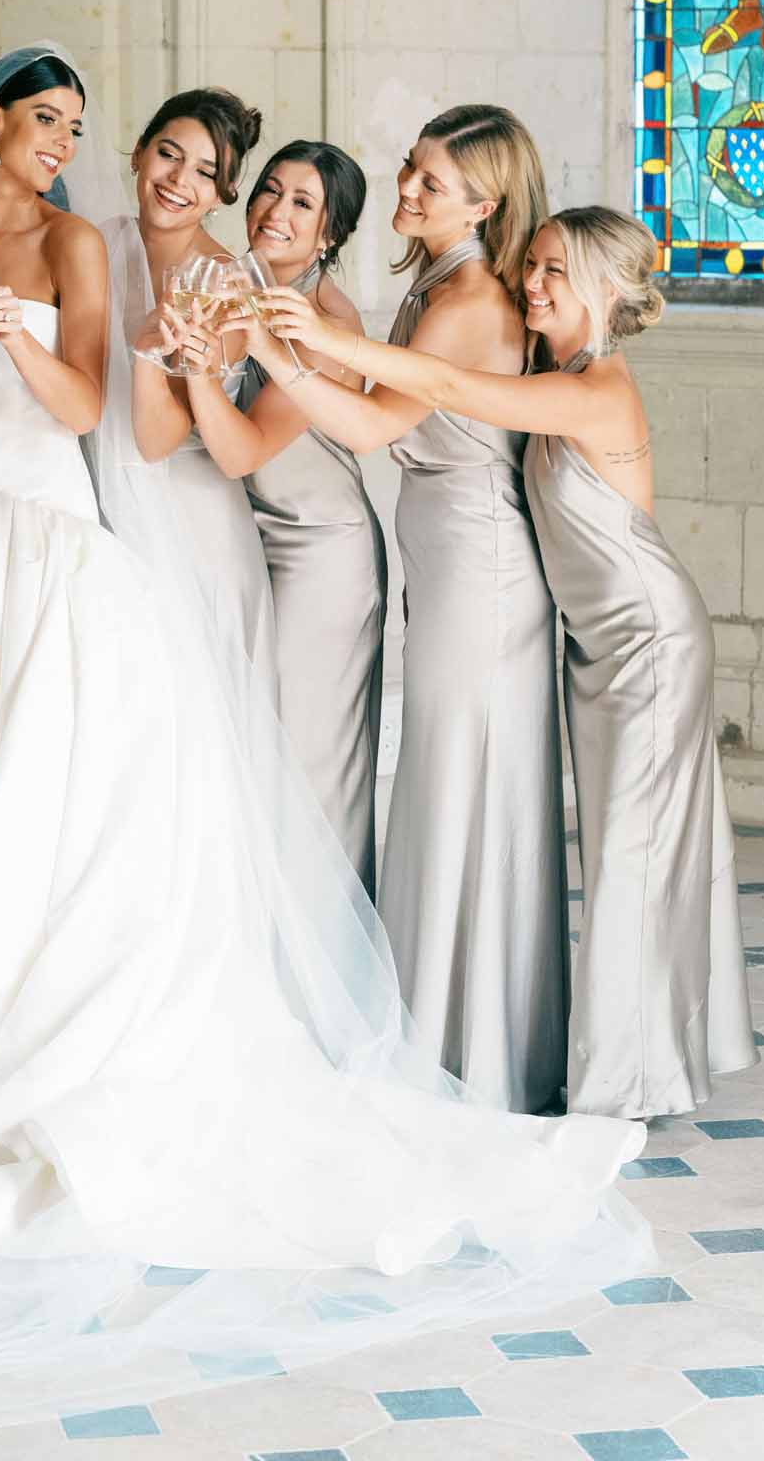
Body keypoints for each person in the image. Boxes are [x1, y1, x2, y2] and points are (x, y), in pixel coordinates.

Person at [0, 50, 649, 1438]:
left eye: (78, 131)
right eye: (52, 124)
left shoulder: (86, 247)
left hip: (81, 529)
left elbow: (99, 415)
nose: (69, 148)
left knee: (60, 805)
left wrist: (27, 329)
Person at [268, 206, 756, 1120]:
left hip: (646, 641)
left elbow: (450, 388)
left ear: (606, 289)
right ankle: (638, 1061)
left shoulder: (597, 389)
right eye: (530, 264)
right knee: (624, 851)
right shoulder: (559, 370)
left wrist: (317, 334)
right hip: (598, 650)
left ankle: (626, 1087)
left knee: (632, 856)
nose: (530, 283)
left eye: (553, 271)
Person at [210, 105, 564, 1114]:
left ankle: (476, 1055)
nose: (404, 191)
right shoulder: (437, 282)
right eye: (408, 170)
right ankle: (448, 1030)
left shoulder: (468, 302)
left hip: (482, 567)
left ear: (482, 201)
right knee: (445, 793)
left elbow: (366, 428)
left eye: (428, 183)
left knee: (466, 791)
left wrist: (283, 350)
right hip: (442, 559)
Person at [158, 139, 386, 894]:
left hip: (324, 555)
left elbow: (240, 452)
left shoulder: (322, 320)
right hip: (255, 543)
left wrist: (193, 370)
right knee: (251, 753)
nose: (274, 211)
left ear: (330, 234)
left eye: (302, 203)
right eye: (269, 189)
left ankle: (329, 967)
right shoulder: (235, 281)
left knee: (310, 767)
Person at [122, 88, 274, 671]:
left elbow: (160, 439)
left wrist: (147, 357)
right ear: (138, 152)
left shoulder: (226, 286)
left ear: (220, 194)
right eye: (168, 153)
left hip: (186, 526)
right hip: (93, 507)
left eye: (206, 173)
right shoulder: (88, 244)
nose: (180, 180)